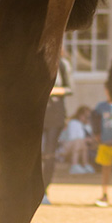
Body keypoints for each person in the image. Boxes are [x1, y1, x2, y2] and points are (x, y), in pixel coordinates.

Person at [41, 50, 73, 202]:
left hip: (55, 115)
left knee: (48, 154)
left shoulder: (63, 64)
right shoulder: (36, 61)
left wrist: (51, 91)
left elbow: (69, 88)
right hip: (38, 113)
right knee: (35, 154)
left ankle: (44, 190)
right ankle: (31, 188)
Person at [61, 105, 96, 175]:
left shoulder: (87, 125)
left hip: (82, 146)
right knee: (79, 142)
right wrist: (86, 140)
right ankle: (75, 165)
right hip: (67, 146)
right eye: (86, 116)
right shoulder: (73, 123)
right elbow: (73, 138)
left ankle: (85, 165)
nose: (87, 118)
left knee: (81, 143)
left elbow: (92, 137)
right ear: (80, 115)